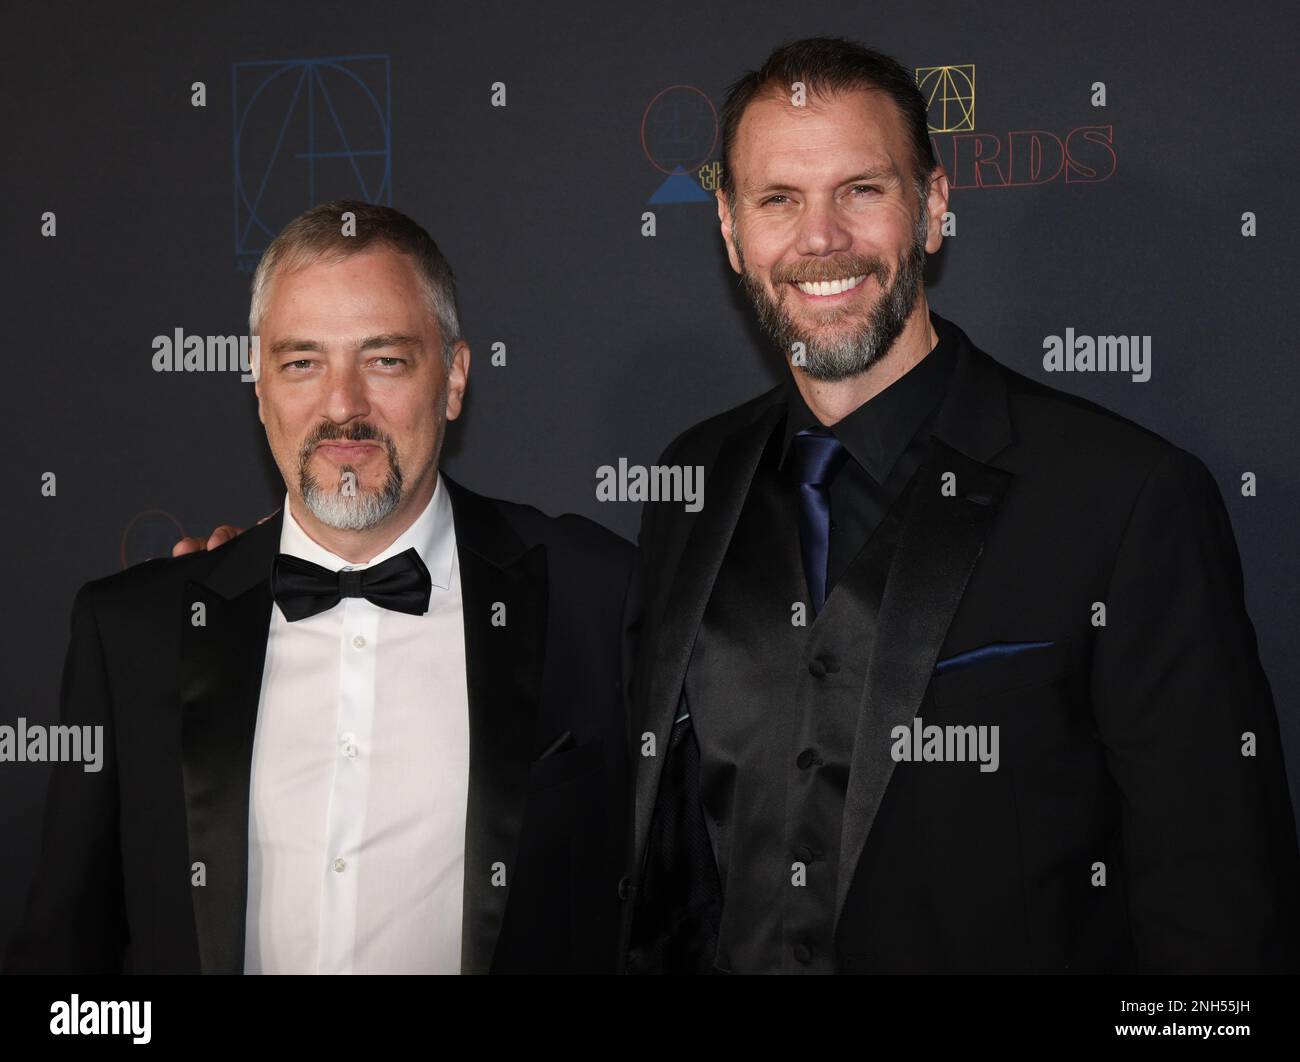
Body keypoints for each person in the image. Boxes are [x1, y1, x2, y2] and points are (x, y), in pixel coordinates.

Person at [618, 37, 1300, 973]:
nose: (820, 239)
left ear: (934, 208)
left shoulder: (1127, 498)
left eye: (862, 189)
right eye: (780, 199)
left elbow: (1222, 906)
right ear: (732, 232)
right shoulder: (690, 486)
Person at [5, 202, 632, 974]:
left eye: (385, 360)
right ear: (259, 386)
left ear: (456, 377)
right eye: (303, 361)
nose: (343, 406)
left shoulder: (592, 595)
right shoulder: (133, 632)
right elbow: (66, 963)